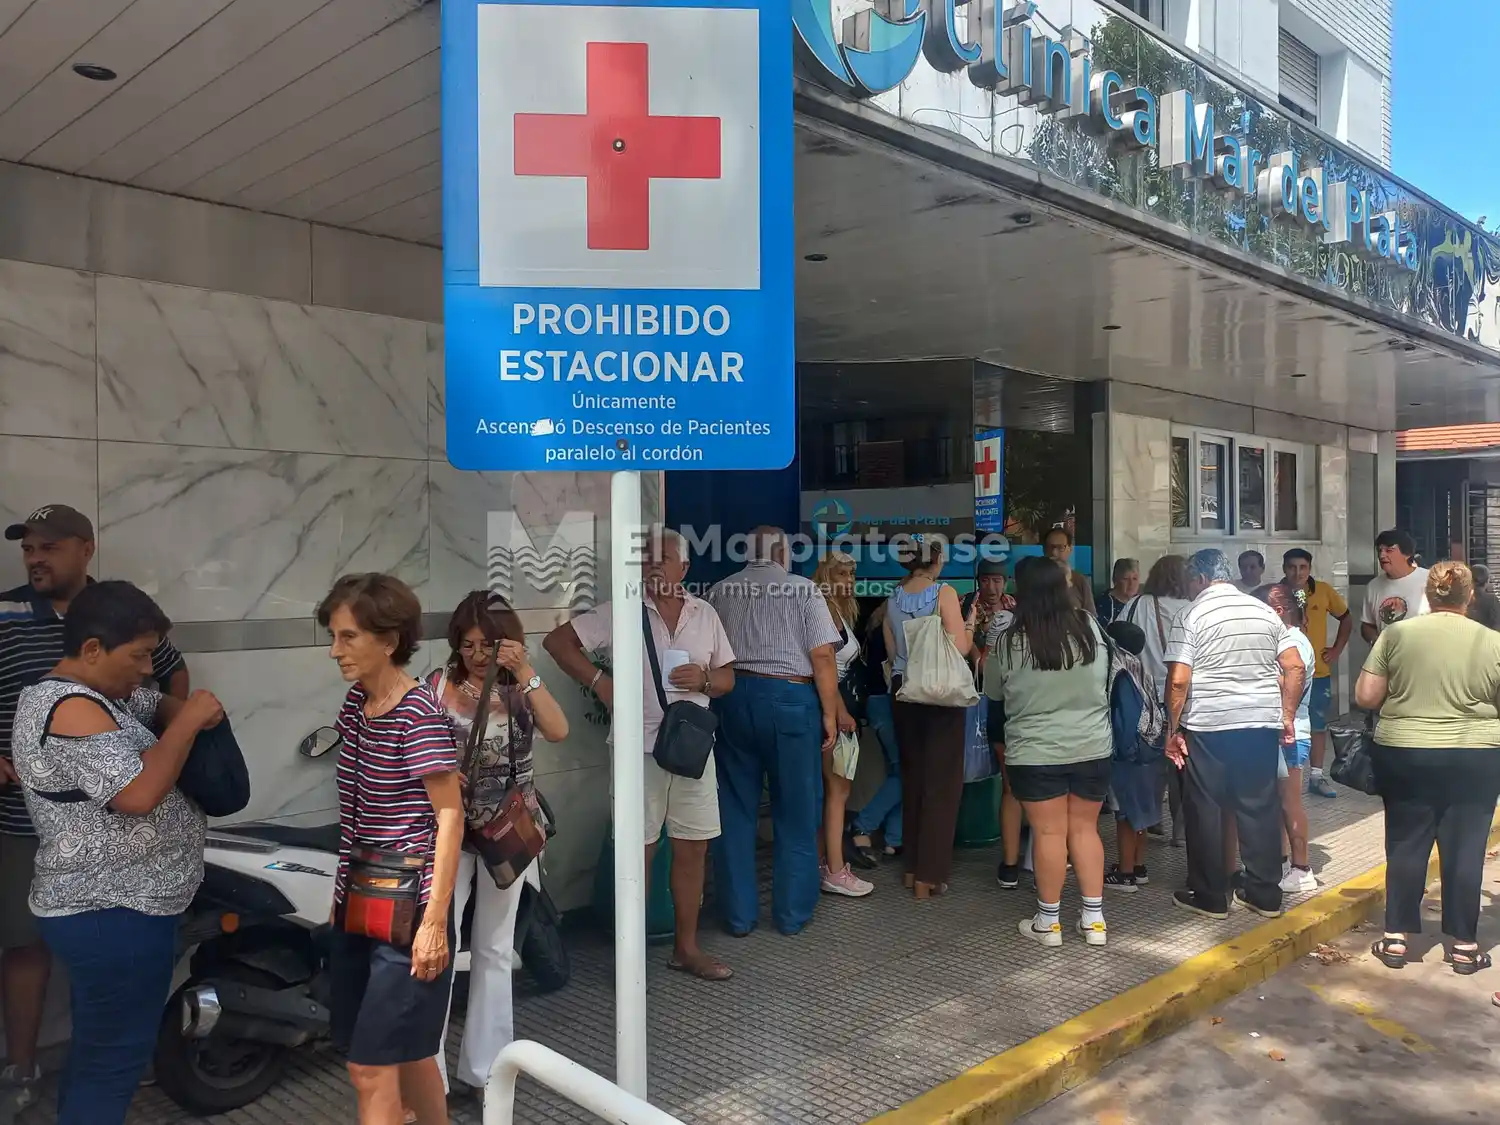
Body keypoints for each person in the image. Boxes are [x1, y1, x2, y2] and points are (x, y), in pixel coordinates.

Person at [0, 504, 190, 1118]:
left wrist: (165, 710)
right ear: (91, 649)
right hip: (105, 904)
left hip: (103, 896)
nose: (35, 556)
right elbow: (136, 795)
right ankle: (26, 1068)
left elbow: (161, 683)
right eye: (136, 656)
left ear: (85, 548)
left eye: (49, 546)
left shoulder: (101, 659)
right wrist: (186, 727)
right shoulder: (66, 697)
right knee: (107, 1058)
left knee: (100, 1046)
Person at [548, 529, 739, 968]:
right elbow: (558, 642)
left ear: (684, 568)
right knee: (638, 851)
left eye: (664, 558)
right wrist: (601, 683)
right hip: (640, 750)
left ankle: (685, 949)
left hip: (693, 753)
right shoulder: (622, 612)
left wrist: (704, 680)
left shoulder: (705, 614)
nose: (654, 565)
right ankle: (630, 959)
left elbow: (728, 678)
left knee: (693, 847)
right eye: (647, 558)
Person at [317, 574, 464, 1125]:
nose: (336, 651)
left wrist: (434, 923)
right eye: (333, 636)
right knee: (410, 1053)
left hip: (410, 912)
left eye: (348, 637)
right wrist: (340, 898)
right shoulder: (357, 704)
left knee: (370, 1068)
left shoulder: (417, 713)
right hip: (361, 902)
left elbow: (450, 815)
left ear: (389, 638)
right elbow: (355, 814)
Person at [428, 592, 568, 1100]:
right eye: (467, 645)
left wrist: (527, 669)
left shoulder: (521, 688)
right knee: (439, 943)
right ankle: (431, 1076)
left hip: (507, 830)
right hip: (447, 832)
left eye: (489, 644)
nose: (478, 655)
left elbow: (558, 729)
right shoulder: (438, 686)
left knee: (493, 945)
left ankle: (485, 1069)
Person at [1356, 562, 1500, 975]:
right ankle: (1464, 947)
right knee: (1466, 850)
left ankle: (1397, 940)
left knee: (1405, 844)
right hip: (1475, 757)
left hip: (1406, 753)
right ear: (1469, 597)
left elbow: (1367, 696)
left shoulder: (1396, 634)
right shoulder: (1492, 642)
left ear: (1428, 596)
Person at [706, 527, 841, 936]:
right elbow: (822, 656)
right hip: (789, 701)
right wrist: (831, 715)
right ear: (783, 552)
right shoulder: (802, 589)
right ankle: (791, 914)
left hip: (731, 698)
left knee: (734, 809)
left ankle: (738, 916)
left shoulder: (719, 591)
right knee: (796, 810)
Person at [1164, 549, 1304, 921]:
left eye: (1189, 582)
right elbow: (1295, 666)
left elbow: (1178, 680)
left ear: (1200, 579)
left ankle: (1211, 897)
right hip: (1259, 724)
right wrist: (1286, 717)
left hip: (1209, 726)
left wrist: (1171, 729)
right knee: (1258, 806)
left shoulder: (1191, 614)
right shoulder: (1262, 611)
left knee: (1205, 809)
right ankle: (1265, 895)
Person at [987, 557, 1112, 945]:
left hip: (1036, 751)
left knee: (1048, 832)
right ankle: (1094, 922)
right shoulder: (1090, 627)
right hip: (1092, 746)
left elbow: (993, 692)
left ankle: (1049, 922)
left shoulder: (1009, 640)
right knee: (1085, 829)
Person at [885, 536, 977, 899]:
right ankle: (929, 875)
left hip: (903, 692)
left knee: (914, 780)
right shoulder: (944, 593)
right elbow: (960, 647)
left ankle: (911, 869)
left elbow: (893, 651)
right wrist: (969, 624)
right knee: (942, 785)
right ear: (936, 558)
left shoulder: (892, 597)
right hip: (939, 695)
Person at [810, 552, 872, 898]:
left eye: (851, 574)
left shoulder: (836, 611)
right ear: (827, 575)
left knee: (832, 791)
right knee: (837, 791)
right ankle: (835, 871)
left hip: (831, 709)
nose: (849, 580)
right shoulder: (826, 611)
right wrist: (841, 713)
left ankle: (825, 863)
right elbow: (824, 667)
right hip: (833, 712)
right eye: (842, 574)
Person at [1119, 554, 1193, 846]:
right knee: (1180, 764)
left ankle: (1151, 820)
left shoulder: (1136, 605)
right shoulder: (1192, 610)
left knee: (1148, 763)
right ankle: (1182, 831)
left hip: (1142, 696)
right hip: (1181, 697)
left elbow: (1118, 642)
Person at [1257, 585, 1318, 894]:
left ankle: (1301, 867)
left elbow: (1291, 681)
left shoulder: (1293, 643)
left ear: (1277, 612)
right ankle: (1283, 863)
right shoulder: (1289, 640)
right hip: (1285, 731)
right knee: (1279, 802)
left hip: (1292, 732)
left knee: (1290, 801)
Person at [1281, 549, 1351, 799]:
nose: (1297, 572)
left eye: (1302, 567)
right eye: (1291, 567)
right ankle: (1283, 778)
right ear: (1284, 568)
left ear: (1309, 568)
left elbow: (1346, 618)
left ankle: (1317, 777)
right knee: (1283, 723)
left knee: (1317, 725)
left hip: (1317, 672)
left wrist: (1337, 649)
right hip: (1284, 672)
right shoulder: (1276, 594)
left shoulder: (1323, 590)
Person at [1101, 619, 1161, 894]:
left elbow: (1123, 720)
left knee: (1125, 815)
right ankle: (1138, 866)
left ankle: (1125, 874)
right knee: (1144, 812)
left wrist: (1122, 754)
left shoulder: (1119, 673)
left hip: (1129, 755)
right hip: (1149, 751)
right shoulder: (1141, 669)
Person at [847, 600, 901, 867]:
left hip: (875, 704)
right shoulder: (890, 629)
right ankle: (862, 826)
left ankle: (894, 839)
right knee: (905, 771)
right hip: (888, 704)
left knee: (901, 771)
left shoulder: (873, 629)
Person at [1361, 528, 1430, 643]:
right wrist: (1375, 641)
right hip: (1388, 658)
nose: (1382, 555)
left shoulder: (1429, 580)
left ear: (1407, 554)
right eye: (1380, 550)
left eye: (1389, 550)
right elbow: (1367, 625)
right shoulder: (1373, 586)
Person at [1042, 526, 1096, 615]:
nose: (1054, 553)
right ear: (1043, 549)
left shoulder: (1080, 581)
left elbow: (1091, 617)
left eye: (1060, 547)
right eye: (1050, 547)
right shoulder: (1035, 579)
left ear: (1070, 549)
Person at [1096, 558, 1140, 624]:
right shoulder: (1104, 603)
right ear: (1115, 580)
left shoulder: (1141, 601)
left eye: (1135, 578)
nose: (1131, 583)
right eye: (1126, 579)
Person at [1466, 563, 1500, 630]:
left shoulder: (1462, 598)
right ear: (1487, 581)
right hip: (1487, 638)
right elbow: (1497, 625)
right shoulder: (1491, 600)